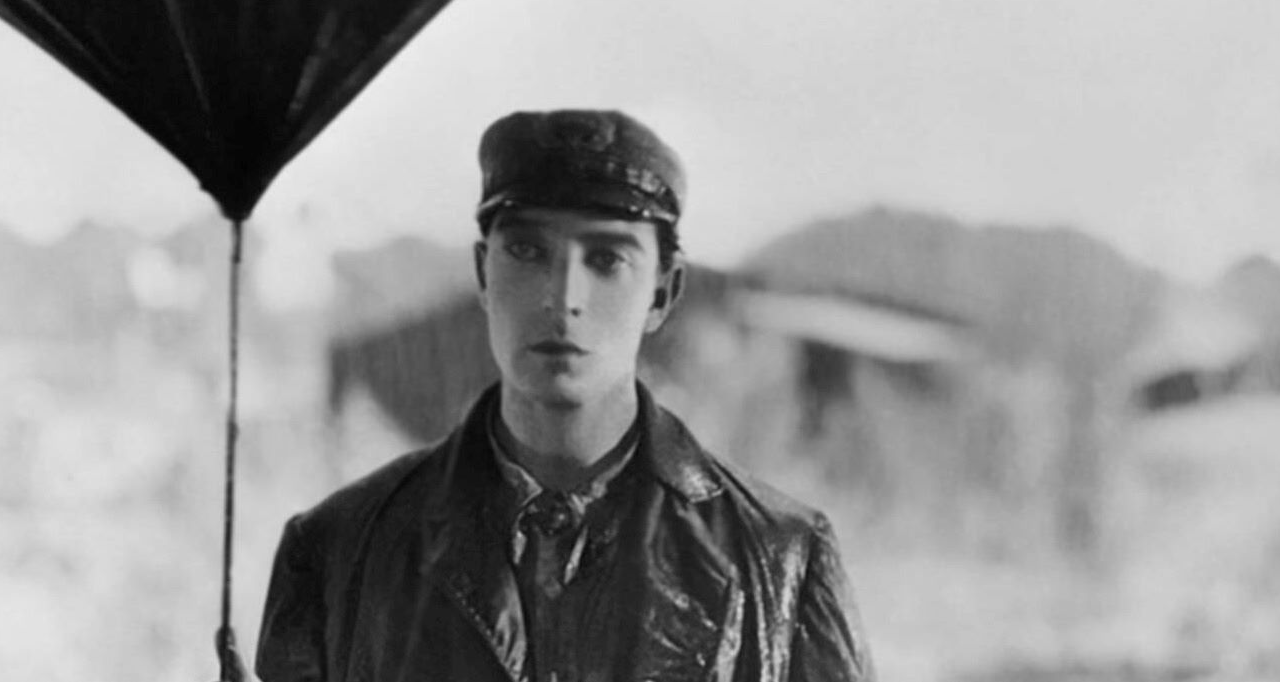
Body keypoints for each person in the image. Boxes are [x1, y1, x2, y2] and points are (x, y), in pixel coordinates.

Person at [256, 109, 875, 682]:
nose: (563, 297)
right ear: (483, 273)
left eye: (606, 259)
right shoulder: (338, 549)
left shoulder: (781, 559)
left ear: (663, 293)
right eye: (528, 251)